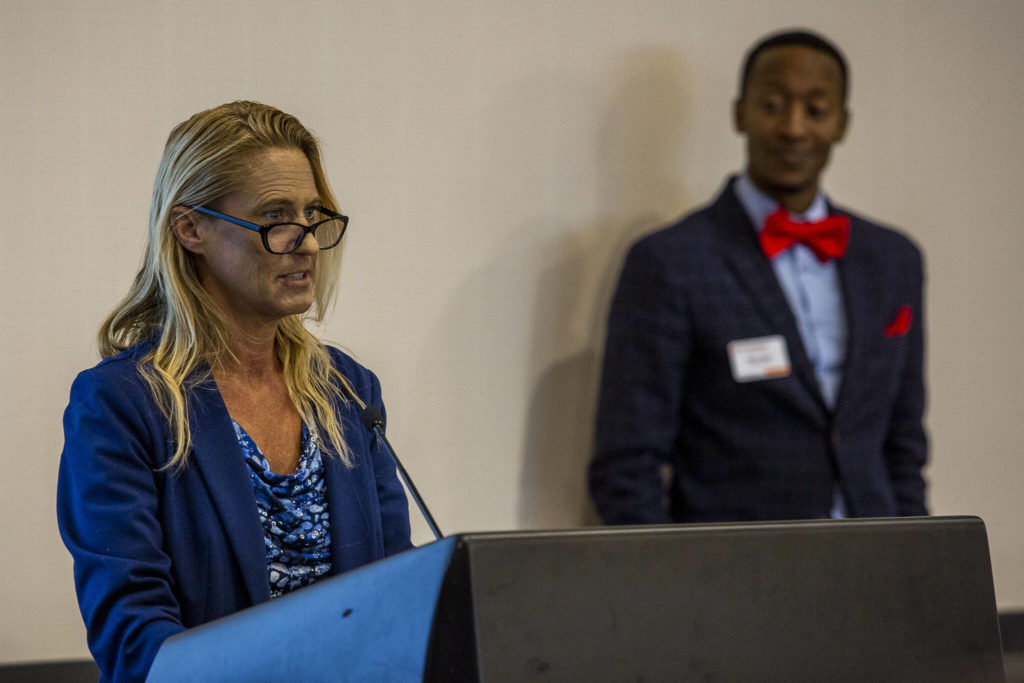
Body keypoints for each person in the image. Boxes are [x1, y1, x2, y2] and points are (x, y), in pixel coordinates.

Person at [57, 101, 413, 682]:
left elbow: (400, 596)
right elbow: (133, 638)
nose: (307, 243)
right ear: (190, 229)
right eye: (276, 217)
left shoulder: (348, 391)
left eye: (312, 215)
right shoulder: (122, 405)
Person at [589, 30, 927, 524]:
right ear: (739, 113)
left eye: (816, 110)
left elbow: (904, 444)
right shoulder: (670, 261)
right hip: (733, 578)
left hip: (873, 566)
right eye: (772, 104)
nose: (793, 128)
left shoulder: (893, 260)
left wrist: (918, 564)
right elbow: (626, 463)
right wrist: (670, 590)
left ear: (842, 124)